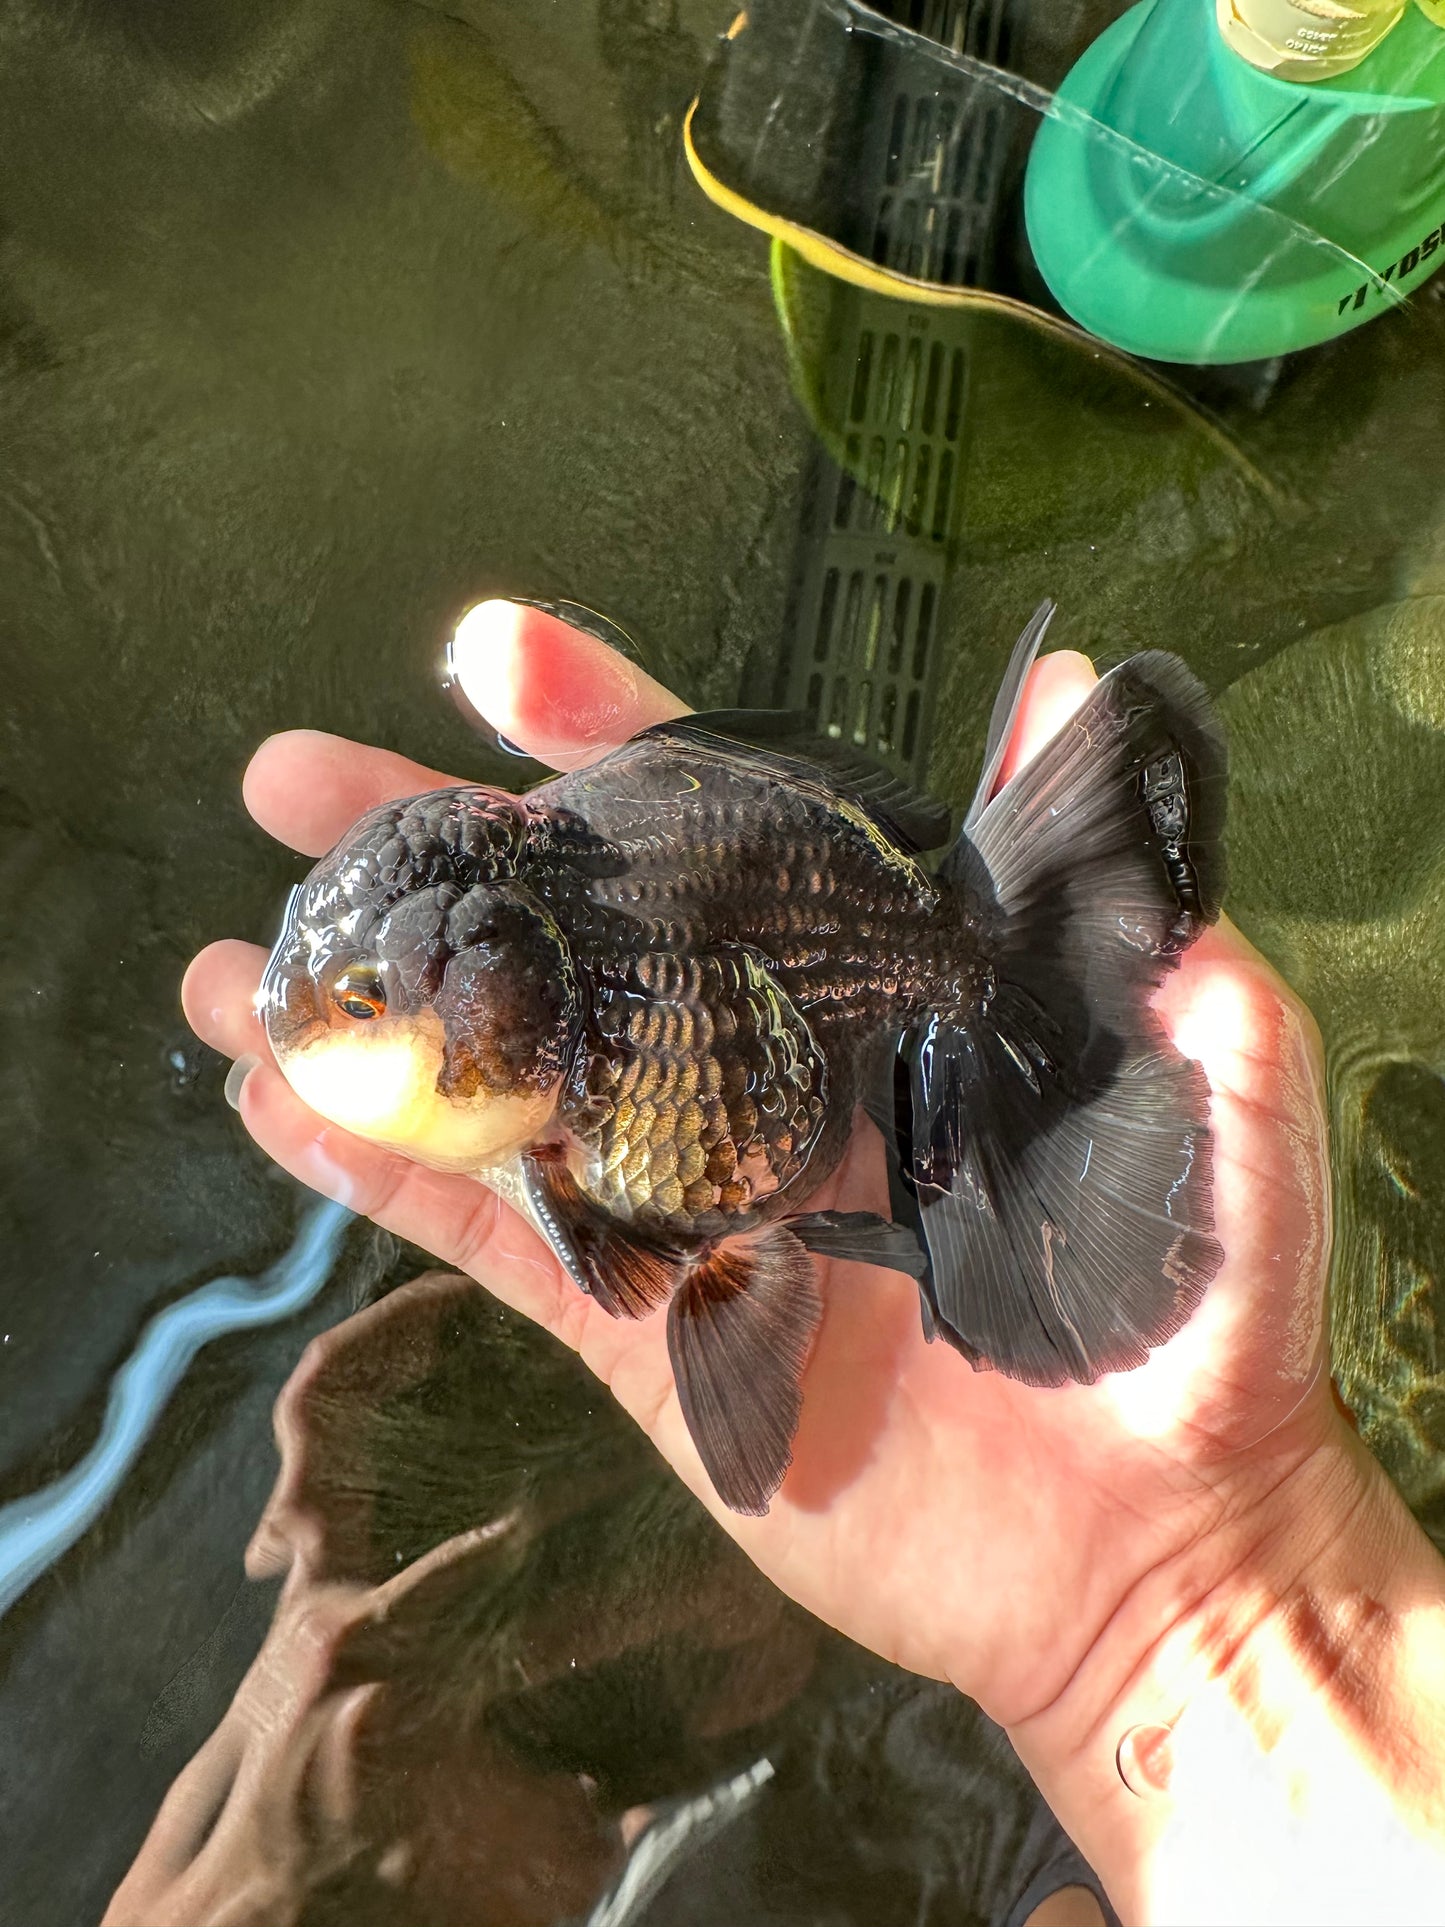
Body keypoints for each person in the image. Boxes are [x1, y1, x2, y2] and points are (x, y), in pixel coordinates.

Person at [183, 600, 1445, 1925]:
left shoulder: (586, 984)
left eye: (368, 1002)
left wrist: (1212, 1574)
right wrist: (1210, 1602)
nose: (332, 1028)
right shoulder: (546, 1056)